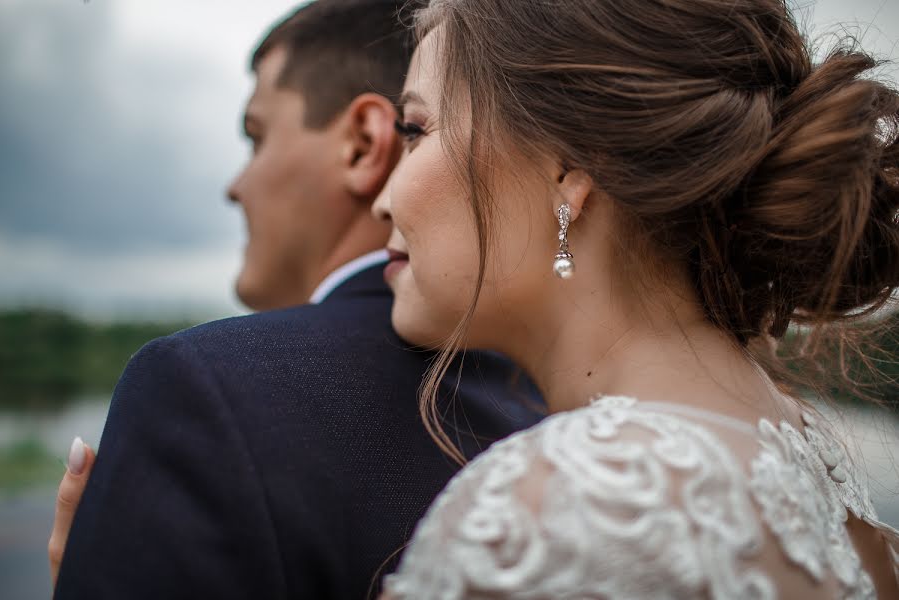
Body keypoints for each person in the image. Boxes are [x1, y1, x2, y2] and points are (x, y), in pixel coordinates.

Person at [373, 0, 899, 597]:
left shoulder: (559, 507)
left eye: (415, 131)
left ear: (566, 171)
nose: (382, 202)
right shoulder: (823, 482)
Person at [49, 1, 540, 598]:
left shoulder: (201, 389)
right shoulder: (552, 397)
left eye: (256, 137)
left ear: (362, 145)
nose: (236, 186)